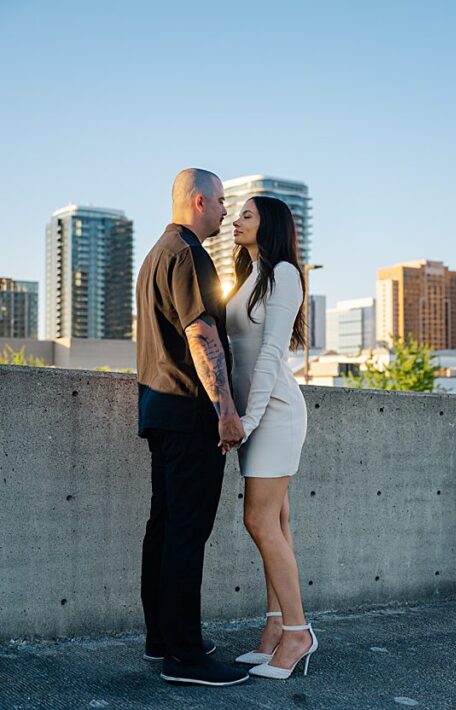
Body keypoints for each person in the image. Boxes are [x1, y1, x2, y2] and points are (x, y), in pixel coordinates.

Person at [135, 168, 249, 686]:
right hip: (189, 415)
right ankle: (185, 658)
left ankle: (163, 639)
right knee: (185, 533)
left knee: (164, 529)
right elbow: (203, 337)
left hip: (160, 413)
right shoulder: (188, 255)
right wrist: (226, 410)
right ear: (199, 200)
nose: (227, 212)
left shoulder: (156, 254)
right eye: (223, 202)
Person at [224, 195, 317, 680]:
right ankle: (275, 628)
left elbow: (267, 356)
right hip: (254, 412)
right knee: (275, 522)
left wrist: (249, 419)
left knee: (259, 521)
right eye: (235, 213)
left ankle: (299, 632)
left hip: (273, 412)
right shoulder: (251, 276)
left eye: (246, 214)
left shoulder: (284, 274)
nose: (235, 220)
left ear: (270, 224)